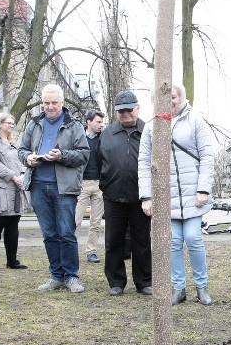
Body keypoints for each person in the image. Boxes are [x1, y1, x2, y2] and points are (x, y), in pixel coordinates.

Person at [139, 84, 215, 306]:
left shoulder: (195, 120)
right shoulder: (151, 126)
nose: (169, 101)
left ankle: (201, 287)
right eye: (164, 97)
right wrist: (147, 196)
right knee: (173, 242)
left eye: (172, 97)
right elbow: (143, 164)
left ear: (180, 97)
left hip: (193, 195)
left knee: (193, 238)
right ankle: (179, 288)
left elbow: (207, 156)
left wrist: (203, 189)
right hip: (166, 197)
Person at [19, 84, 89, 293]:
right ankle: (56, 275)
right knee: (49, 234)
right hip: (39, 185)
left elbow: (84, 154)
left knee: (66, 233)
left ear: (62, 103)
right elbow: (21, 149)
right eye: (46, 103)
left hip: (64, 187)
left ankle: (71, 276)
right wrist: (28, 158)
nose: (50, 107)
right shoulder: (34, 123)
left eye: (54, 103)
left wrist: (62, 155)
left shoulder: (74, 125)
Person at [99, 91, 152, 296]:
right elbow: (98, 161)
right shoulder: (107, 133)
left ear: (138, 109)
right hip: (113, 196)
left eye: (129, 109)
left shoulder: (148, 131)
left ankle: (144, 281)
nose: (125, 113)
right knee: (113, 241)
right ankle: (116, 281)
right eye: (121, 110)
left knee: (142, 241)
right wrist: (106, 185)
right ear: (116, 112)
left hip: (141, 197)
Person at [0, 112, 27, 272]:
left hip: (15, 191)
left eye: (13, 123)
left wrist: (22, 174)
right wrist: (13, 176)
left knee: (13, 226)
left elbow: (21, 162)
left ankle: (12, 260)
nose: (11, 125)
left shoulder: (14, 144)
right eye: (8, 122)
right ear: (0, 124)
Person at [75, 110, 106, 264]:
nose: (101, 125)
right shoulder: (79, 137)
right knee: (75, 220)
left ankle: (91, 252)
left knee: (96, 222)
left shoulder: (104, 139)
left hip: (99, 184)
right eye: (98, 122)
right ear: (89, 121)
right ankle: (72, 250)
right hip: (82, 184)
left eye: (102, 122)